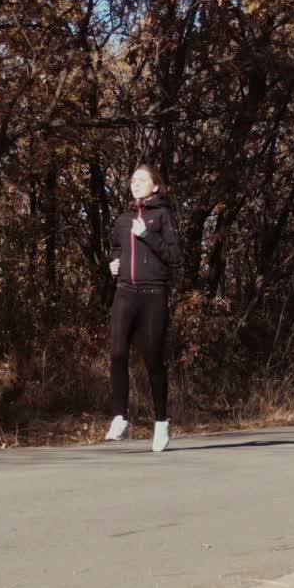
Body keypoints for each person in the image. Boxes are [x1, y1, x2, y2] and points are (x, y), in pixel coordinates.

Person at [104, 164, 183, 452]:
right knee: (117, 353)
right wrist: (114, 264)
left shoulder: (163, 215)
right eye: (132, 180)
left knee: (152, 358)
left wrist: (147, 235)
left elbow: (175, 255)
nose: (135, 183)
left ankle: (161, 421)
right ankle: (120, 418)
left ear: (155, 186)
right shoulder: (123, 218)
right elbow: (116, 248)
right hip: (125, 291)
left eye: (142, 180)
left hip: (153, 294)